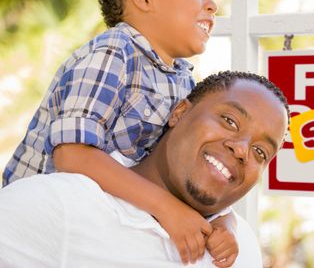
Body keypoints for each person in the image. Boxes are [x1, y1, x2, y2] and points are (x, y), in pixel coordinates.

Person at [0, 0, 237, 266]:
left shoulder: (184, 80)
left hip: (104, 227)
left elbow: (182, 166)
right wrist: (166, 207)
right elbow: (74, 155)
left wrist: (224, 224)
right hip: (42, 232)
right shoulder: (115, 52)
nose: (212, 4)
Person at [0, 71, 290, 267]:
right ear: (180, 112)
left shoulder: (243, 247)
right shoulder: (57, 206)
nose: (241, 149)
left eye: (260, 152)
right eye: (229, 120)